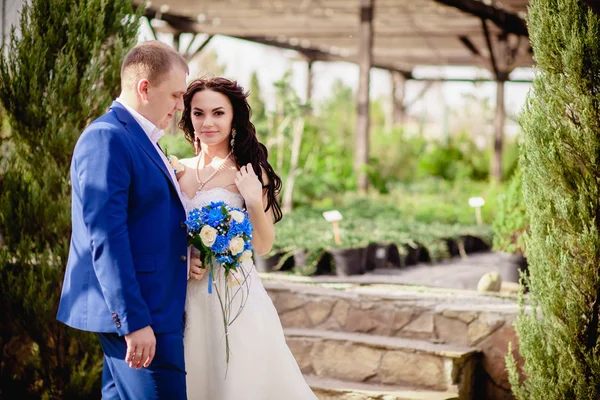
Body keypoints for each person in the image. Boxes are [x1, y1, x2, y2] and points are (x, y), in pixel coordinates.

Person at [57, 40, 202, 399]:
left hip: (157, 305)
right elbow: (106, 236)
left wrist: (185, 257)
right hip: (142, 313)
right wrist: (133, 320)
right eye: (176, 96)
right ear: (144, 88)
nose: (181, 107)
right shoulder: (107, 138)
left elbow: (148, 222)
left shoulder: (141, 137)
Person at [176, 77, 317, 399]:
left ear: (233, 117)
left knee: (238, 377)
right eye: (198, 113)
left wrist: (253, 199)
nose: (207, 122)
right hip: (186, 292)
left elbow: (265, 245)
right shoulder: (177, 169)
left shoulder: (249, 171)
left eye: (218, 113)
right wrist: (187, 256)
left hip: (235, 293)